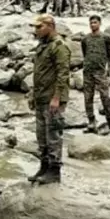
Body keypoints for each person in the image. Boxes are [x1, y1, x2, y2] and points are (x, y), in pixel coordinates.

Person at [30, 14, 70, 185]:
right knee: (41, 135)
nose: (36, 31)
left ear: (50, 26)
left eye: (39, 27)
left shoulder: (59, 46)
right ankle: (44, 166)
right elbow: (39, 73)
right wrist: (33, 95)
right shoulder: (43, 45)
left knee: (53, 134)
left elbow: (63, 75)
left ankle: (54, 170)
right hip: (41, 96)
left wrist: (56, 98)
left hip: (52, 98)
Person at [81, 15, 110, 134]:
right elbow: (84, 52)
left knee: (105, 96)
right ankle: (91, 121)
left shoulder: (106, 37)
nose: (93, 25)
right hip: (88, 71)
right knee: (87, 97)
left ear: (100, 23)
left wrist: (109, 67)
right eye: (91, 23)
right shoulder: (85, 39)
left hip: (101, 71)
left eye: (95, 23)